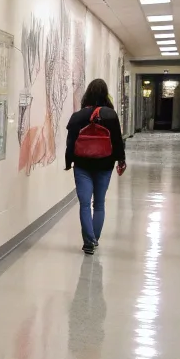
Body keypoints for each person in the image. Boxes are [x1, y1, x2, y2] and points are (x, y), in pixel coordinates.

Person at [65, 78, 126, 254]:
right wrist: (121, 160)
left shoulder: (77, 116)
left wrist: (69, 162)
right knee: (98, 204)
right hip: (105, 165)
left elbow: (70, 143)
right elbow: (117, 141)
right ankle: (94, 239)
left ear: (87, 95)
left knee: (84, 204)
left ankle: (88, 242)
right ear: (105, 95)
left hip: (82, 165)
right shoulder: (110, 115)